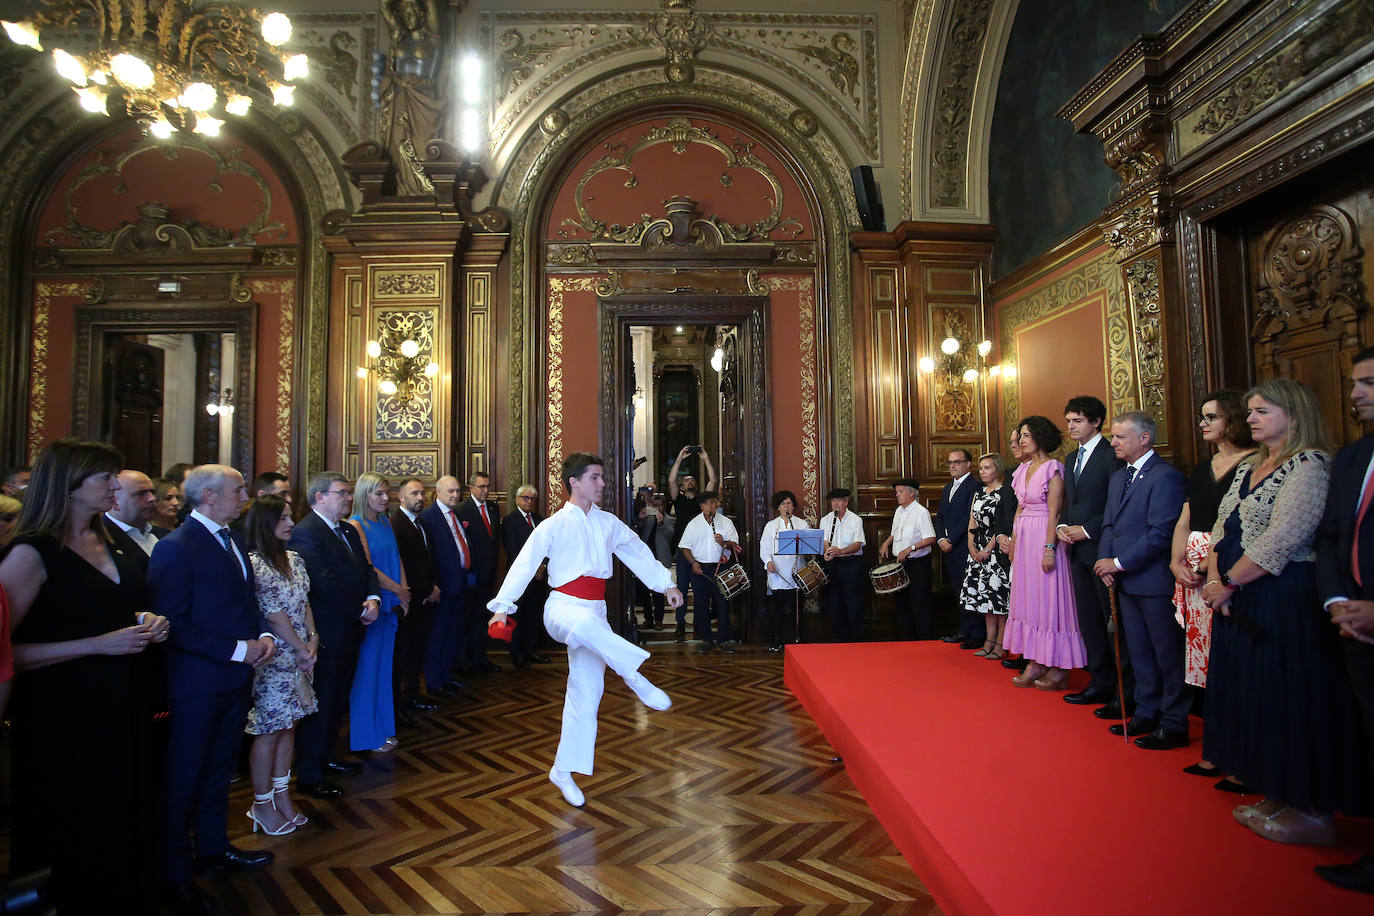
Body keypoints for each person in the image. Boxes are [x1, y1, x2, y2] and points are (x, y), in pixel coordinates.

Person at [0, 438, 170, 912]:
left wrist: (149, 621)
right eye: (105, 477)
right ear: (69, 486)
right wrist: (95, 645)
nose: (116, 485)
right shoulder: (31, 554)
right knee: (73, 824)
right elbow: (3, 653)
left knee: (122, 813)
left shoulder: (112, 541)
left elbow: (111, 610)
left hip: (123, 700)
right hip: (64, 715)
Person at [1201, 378, 1366, 845]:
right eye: (1250, 410)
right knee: (1255, 696)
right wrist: (1215, 579)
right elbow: (1221, 526)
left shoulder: (1310, 463)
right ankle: (1277, 790)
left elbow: (1286, 536)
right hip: (1238, 590)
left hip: (1282, 593)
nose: (1250, 418)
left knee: (1288, 696)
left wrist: (1229, 581)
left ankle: (1311, 809)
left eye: (1262, 411)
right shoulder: (1252, 462)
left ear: (1293, 416)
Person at [487, 452, 682, 807]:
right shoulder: (553, 525)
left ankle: (563, 770)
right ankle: (635, 674)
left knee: (586, 695)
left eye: (602, 478)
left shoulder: (609, 523)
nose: (602, 483)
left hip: (595, 614)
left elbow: (637, 552)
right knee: (583, 627)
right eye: (595, 477)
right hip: (561, 609)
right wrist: (503, 607)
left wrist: (664, 584)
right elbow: (524, 563)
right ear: (573, 482)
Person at [148, 463, 277, 912]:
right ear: (208, 497)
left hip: (233, 678)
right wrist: (238, 650)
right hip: (197, 684)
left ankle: (213, 848)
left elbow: (247, 601)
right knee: (184, 778)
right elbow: (174, 625)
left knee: (219, 770)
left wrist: (264, 636)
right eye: (239, 489)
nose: (246, 496)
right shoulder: (176, 548)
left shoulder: (231, 537)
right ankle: (174, 872)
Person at [1169, 391, 1254, 783]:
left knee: (1230, 661)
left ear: (1232, 420)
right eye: (1201, 417)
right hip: (1192, 565)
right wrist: (1176, 561)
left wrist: (1213, 564)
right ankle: (1215, 749)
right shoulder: (1204, 467)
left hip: (1229, 567)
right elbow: (1185, 519)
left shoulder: (1252, 465)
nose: (1202, 423)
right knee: (1201, 662)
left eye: (1211, 417)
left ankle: (1239, 755)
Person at [1094, 411, 1189, 749]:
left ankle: (1174, 721)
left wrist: (1118, 563)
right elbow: (1109, 525)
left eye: (1119, 436)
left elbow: (1161, 533)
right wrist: (1104, 562)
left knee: (1166, 654)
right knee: (1138, 652)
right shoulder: (1118, 477)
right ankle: (1145, 712)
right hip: (1123, 581)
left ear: (1144, 438)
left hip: (1152, 581)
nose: (1113, 442)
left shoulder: (1165, 477)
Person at [1315, 348, 1374, 891]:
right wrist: (1337, 600)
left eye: (1369, 382)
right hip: (1349, 617)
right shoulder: (1353, 456)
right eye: (1355, 382)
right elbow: (1332, 536)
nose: (1356, 393)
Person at [289, 472, 381, 800]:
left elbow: (366, 569)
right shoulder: (305, 533)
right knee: (322, 703)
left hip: (351, 628)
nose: (346, 498)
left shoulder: (346, 530)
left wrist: (374, 598)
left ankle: (327, 757)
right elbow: (323, 584)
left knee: (338, 699)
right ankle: (310, 773)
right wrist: (359, 609)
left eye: (348, 493)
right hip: (326, 631)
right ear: (320, 497)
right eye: (341, 493)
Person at [243, 494, 318, 836]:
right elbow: (273, 615)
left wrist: (313, 640)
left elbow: (304, 603)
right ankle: (260, 803)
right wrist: (300, 647)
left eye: (290, 517)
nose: (290, 523)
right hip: (275, 657)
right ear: (265, 523)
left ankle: (282, 796)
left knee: (290, 726)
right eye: (283, 518)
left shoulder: (294, 559)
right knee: (270, 730)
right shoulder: (256, 563)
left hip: (301, 654)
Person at [1057, 395, 1128, 712]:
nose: (1071, 426)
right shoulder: (1072, 459)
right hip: (1076, 551)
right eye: (1069, 420)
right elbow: (1070, 504)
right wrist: (1062, 526)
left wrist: (1087, 530)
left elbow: (1116, 504)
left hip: (1103, 549)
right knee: (1089, 621)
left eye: (1078, 420)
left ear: (1096, 422)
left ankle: (1123, 692)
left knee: (1112, 621)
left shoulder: (1111, 454)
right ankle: (1099, 682)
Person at [1004, 416, 1085, 689]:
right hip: (1025, 534)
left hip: (1043, 535)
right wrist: (1014, 541)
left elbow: (1055, 512)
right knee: (1028, 600)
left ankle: (1059, 666)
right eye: (1020, 436)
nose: (1021, 441)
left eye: (1026, 435)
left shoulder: (1053, 468)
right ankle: (1035, 660)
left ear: (1039, 437)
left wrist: (1050, 548)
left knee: (1048, 599)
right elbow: (1018, 508)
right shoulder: (1022, 469)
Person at [348, 472, 406, 754]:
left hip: (392, 602)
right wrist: (397, 589)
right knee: (368, 671)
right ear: (364, 495)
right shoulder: (356, 525)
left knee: (384, 670)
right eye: (379, 494)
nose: (386, 498)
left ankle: (384, 729)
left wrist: (404, 591)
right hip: (375, 603)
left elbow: (397, 558)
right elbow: (368, 567)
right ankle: (366, 735)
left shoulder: (384, 521)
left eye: (387, 493)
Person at [391, 477, 441, 714]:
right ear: (401, 497)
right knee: (404, 654)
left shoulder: (420, 523)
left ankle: (412, 695)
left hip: (424, 599)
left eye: (422, 493)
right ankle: (402, 703)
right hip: (409, 600)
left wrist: (433, 587)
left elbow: (428, 560)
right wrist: (426, 590)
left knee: (416, 651)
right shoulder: (396, 524)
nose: (420, 498)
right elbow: (405, 566)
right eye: (414, 494)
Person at [420, 475, 472, 698]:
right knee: (438, 636)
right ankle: (434, 681)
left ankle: (447, 676)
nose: (455, 495)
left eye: (457, 491)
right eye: (450, 491)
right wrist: (432, 586)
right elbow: (427, 556)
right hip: (441, 588)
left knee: (453, 634)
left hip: (460, 584)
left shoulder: (456, 514)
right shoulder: (428, 517)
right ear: (438, 492)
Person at [962, 453, 1016, 657]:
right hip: (977, 549)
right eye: (980, 468)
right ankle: (989, 640)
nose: (982, 471)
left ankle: (1002, 643)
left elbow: (1001, 524)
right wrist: (971, 546)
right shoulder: (979, 492)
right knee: (984, 599)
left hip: (995, 550)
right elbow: (972, 522)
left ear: (998, 469)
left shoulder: (1005, 492)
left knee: (998, 598)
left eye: (987, 467)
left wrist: (987, 549)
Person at [678, 490, 742, 653]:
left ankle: (723, 639)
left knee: (723, 604)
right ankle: (706, 639)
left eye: (712, 502)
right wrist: (693, 562)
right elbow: (685, 547)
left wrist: (724, 543)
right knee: (701, 605)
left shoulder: (726, 522)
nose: (710, 506)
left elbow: (736, 546)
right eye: (706, 504)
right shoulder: (693, 524)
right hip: (700, 569)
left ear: (717, 504)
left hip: (722, 568)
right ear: (701, 506)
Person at [878, 477, 937, 639]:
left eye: (901, 492)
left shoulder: (921, 512)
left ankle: (924, 640)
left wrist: (910, 549)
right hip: (900, 564)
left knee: (919, 603)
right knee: (902, 603)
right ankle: (906, 639)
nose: (897, 495)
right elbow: (895, 532)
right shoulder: (899, 511)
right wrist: (886, 543)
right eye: (896, 492)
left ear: (912, 494)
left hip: (918, 564)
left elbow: (931, 538)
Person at [668, 446, 717, 640]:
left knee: (700, 590)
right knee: (681, 587)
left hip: (702, 550)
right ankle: (680, 624)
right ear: (682, 486)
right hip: (683, 551)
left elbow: (713, 481)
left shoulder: (701, 501)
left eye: (692, 480)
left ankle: (698, 622)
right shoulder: (678, 501)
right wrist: (679, 458)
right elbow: (671, 480)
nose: (689, 481)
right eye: (686, 480)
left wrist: (705, 459)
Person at [502, 484, 552, 668]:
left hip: (539, 578)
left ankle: (532, 650)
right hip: (519, 578)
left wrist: (543, 565)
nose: (529, 501)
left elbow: (548, 547)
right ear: (517, 499)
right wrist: (533, 568)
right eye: (525, 498)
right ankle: (517, 653)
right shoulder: (509, 520)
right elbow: (513, 551)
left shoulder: (539, 520)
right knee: (518, 615)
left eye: (532, 499)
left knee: (533, 614)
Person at [457, 471, 502, 674]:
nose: (485, 491)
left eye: (488, 486)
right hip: (471, 576)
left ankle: (480, 657)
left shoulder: (493, 508)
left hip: (489, 574)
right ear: (471, 488)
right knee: (468, 618)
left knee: (482, 618)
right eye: (481, 487)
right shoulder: (461, 510)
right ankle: (465, 660)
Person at [936, 450, 980, 647]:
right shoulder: (947, 488)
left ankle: (977, 633)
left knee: (971, 590)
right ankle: (964, 629)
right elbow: (940, 517)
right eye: (950, 462)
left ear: (969, 464)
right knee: (958, 590)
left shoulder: (975, 486)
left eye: (957, 462)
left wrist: (951, 539)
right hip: (948, 548)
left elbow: (969, 518)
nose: (952, 466)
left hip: (964, 546)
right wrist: (940, 539)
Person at [760, 489, 807, 651]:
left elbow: (808, 546)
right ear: (778, 507)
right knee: (777, 610)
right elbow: (764, 548)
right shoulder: (771, 525)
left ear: (793, 507)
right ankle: (777, 640)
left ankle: (796, 638)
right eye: (783, 504)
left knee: (796, 610)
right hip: (777, 573)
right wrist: (768, 562)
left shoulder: (801, 524)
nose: (786, 507)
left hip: (796, 573)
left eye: (789, 503)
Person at [820, 487, 866, 641]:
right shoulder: (825, 520)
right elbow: (825, 541)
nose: (835, 504)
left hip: (851, 564)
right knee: (835, 603)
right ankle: (840, 640)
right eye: (833, 501)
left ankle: (857, 639)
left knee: (853, 603)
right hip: (833, 565)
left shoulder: (855, 520)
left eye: (838, 500)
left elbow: (858, 544)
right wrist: (828, 551)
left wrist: (841, 551)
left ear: (846, 502)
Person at [104, 467, 164, 558]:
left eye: (152, 492)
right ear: (114, 501)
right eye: (141, 494)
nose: (152, 498)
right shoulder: (100, 539)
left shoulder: (164, 535)